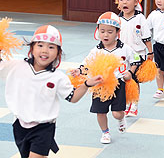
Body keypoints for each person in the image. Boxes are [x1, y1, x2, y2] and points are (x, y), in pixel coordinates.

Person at [0, 25, 103, 158]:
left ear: (58, 53)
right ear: (32, 48)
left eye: (51, 47)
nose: (45, 51)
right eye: (40, 45)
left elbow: (72, 97)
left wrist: (86, 84)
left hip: (44, 127)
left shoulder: (58, 77)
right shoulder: (17, 66)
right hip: (19, 125)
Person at [71, 12, 139, 144]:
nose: (105, 35)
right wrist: (78, 71)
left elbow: (136, 59)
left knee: (117, 113)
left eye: (110, 32)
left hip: (118, 84)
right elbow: (86, 65)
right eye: (102, 31)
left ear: (117, 32)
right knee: (100, 112)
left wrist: (130, 72)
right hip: (100, 85)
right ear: (98, 31)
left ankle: (121, 119)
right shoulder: (96, 50)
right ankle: (105, 132)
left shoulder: (125, 49)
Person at [115, 0, 153, 117]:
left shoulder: (140, 18)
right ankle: (126, 103)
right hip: (122, 55)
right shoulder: (117, 19)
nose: (124, 2)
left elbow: (146, 37)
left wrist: (150, 52)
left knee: (134, 80)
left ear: (136, 2)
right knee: (123, 80)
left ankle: (134, 104)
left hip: (138, 54)